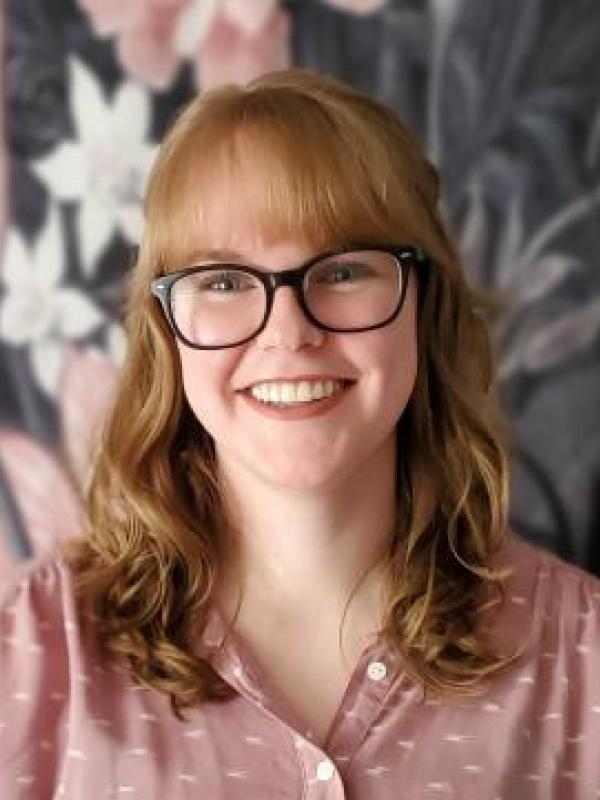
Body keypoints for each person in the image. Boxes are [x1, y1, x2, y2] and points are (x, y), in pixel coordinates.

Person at [1, 69, 599, 800]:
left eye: (343, 270)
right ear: (167, 332)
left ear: (424, 303)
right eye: (223, 280)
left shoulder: (583, 655)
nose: (290, 332)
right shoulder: (29, 655)